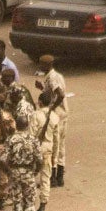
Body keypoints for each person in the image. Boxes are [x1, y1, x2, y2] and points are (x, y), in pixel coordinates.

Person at [0, 115, 42, 211]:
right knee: (30, 200)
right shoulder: (33, 139)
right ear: (27, 125)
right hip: (29, 171)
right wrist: (35, 171)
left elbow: (2, 159)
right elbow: (40, 159)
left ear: (16, 125)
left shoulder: (11, 139)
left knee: (17, 201)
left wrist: (8, 172)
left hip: (15, 172)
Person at [35, 55, 68, 187]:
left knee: (54, 144)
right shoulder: (57, 76)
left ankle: (53, 177)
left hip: (58, 113)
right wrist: (42, 88)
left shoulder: (53, 78)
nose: (40, 66)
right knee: (61, 145)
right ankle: (60, 177)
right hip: (64, 113)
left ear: (48, 65)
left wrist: (51, 108)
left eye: (42, 64)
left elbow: (60, 94)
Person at [30, 90, 61, 211]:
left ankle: (30, 203)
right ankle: (42, 206)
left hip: (36, 149)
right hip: (48, 150)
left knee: (31, 176)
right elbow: (56, 140)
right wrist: (55, 157)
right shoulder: (55, 117)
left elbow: (31, 135)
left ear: (40, 102)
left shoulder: (35, 115)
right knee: (45, 179)